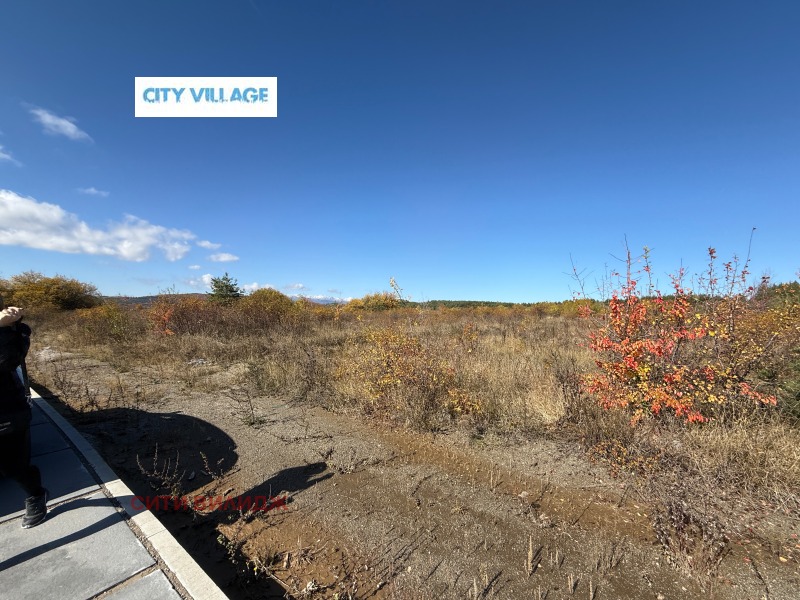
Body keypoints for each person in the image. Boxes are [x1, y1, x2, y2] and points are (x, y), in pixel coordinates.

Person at [0, 297, 48, 528]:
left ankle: (35, 494)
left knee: (13, 467)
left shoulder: (15, 331)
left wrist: (4, 328)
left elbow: (6, 362)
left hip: (6, 410)